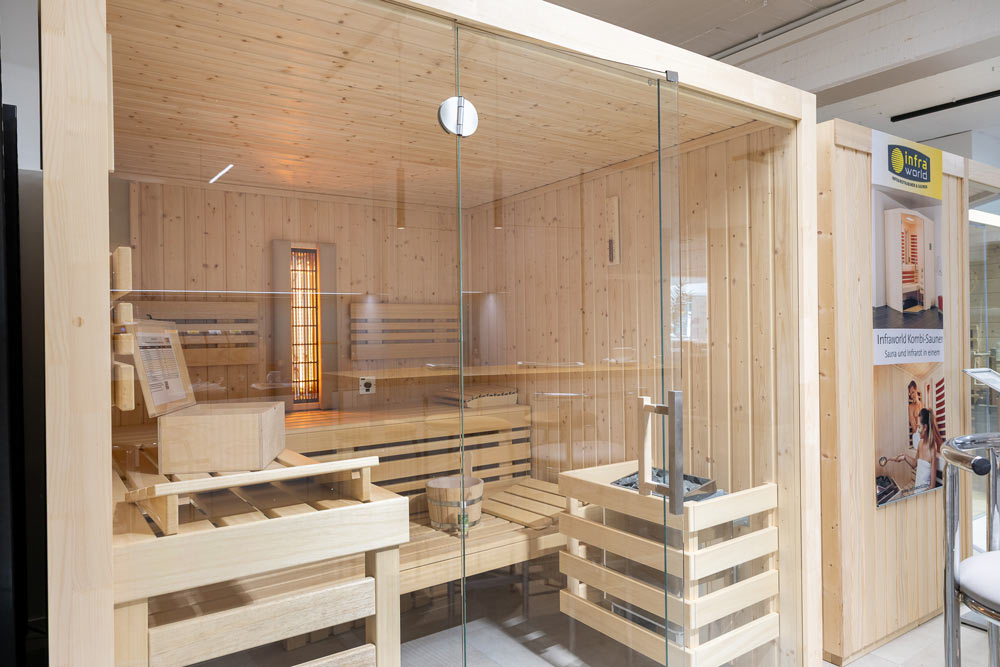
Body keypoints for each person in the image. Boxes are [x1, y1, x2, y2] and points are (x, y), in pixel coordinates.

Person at [893, 407, 944, 491]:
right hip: (916, 490)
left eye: (919, 427)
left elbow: (932, 486)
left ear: (925, 427)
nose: (917, 430)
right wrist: (904, 457)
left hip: (924, 493)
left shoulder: (932, 449)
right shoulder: (920, 443)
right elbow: (914, 464)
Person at [907, 381, 924, 449]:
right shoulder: (910, 407)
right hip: (917, 435)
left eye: (913, 392)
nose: (912, 396)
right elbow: (914, 426)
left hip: (924, 433)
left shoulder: (922, 405)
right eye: (910, 393)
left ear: (916, 390)